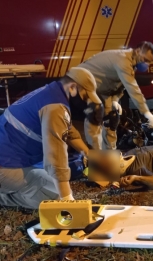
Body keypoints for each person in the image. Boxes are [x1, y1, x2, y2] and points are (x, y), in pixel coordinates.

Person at [0, 67, 102, 209]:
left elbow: (67, 129)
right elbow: (55, 155)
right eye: (85, 96)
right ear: (73, 87)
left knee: (48, 180)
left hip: (10, 156)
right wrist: (67, 200)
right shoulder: (55, 107)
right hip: (5, 164)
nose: (86, 102)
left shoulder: (52, 93)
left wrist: (88, 153)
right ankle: (3, 198)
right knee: (53, 198)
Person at [77, 41, 153, 151]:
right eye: (145, 60)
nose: (146, 64)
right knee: (95, 117)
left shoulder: (132, 64)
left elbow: (120, 85)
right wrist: (146, 113)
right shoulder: (123, 60)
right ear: (138, 51)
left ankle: (110, 152)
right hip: (84, 84)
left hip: (101, 89)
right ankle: (94, 155)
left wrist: (115, 100)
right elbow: (133, 89)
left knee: (112, 117)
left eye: (149, 62)